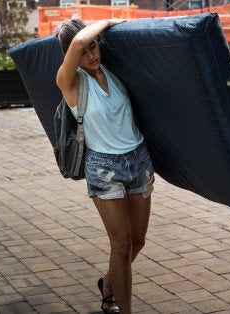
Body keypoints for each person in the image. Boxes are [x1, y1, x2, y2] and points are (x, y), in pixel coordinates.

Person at [56, 18, 155, 314]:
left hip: (139, 161)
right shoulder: (69, 81)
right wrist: (109, 20)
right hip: (104, 168)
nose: (91, 55)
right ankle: (118, 307)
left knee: (138, 241)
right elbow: (75, 42)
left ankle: (109, 283)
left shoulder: (114, 71)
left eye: (94, 46)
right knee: (121, 244)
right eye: (84, 51)